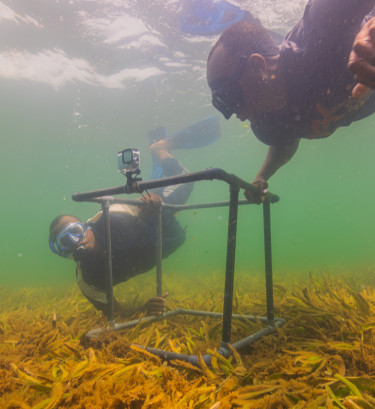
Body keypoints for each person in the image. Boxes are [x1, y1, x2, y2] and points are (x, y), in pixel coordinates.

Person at [206, 0, 375, 203]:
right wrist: (262, 176)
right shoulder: (265, 125)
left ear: (257, 65)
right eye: (222, 105)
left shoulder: (322, 25)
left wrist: (371, 24)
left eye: (229, 97)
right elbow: (285, 140)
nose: (233, 113)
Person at [49, 138, 194, 317]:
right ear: (62, 252)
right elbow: (115, 313)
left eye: (76, 232)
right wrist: (142, 310)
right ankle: (157, 174)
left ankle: (160, 149)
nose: (75, 241)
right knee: (179, 236)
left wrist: (154, 206)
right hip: (168, 241)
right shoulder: (87, 280)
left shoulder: (114, 216)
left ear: (85, 227)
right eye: (65, 241)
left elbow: (142, 204)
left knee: (185, 179)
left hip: (159, 220)